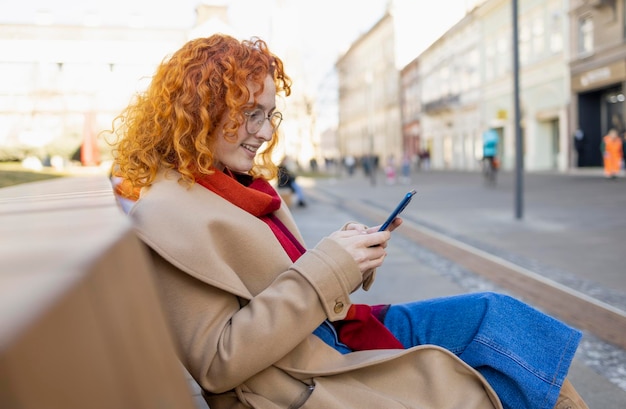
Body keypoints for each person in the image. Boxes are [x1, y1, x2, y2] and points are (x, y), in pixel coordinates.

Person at [109, 34, 587, 409]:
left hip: (330, 334)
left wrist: (348, 257)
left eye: (270, 114)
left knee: (498, 316)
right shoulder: (169, 214)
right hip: (310, 372)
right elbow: (218, 362)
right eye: (249, 114)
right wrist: (328, 269)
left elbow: (284, 280)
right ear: (201, 110)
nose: (265, 131)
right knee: (500, 356)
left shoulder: (232, 185)